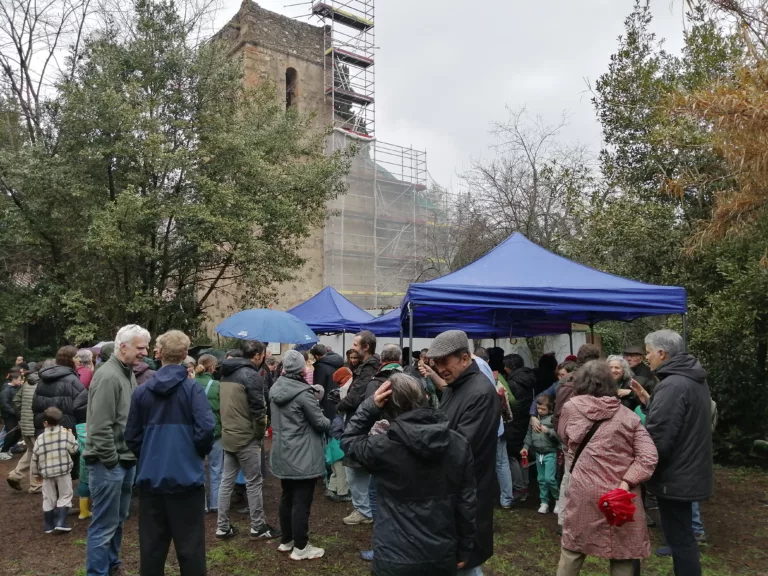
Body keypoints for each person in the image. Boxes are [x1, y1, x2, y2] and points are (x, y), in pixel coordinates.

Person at [342, 374, 477, 575]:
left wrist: (369, 406)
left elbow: (349, 440)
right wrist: (465, 548)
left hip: (394, 557)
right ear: (425, 396)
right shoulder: (457, 444)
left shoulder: (382, 448)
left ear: (386, 407)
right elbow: (466, 503)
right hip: (440, 553)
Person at [125, 330, 215, 576]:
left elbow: (131, 436)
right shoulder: (192, 390)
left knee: (152, 552)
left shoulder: (141, 392)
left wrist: (150, 456)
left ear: (159, 354)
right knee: (191, 550)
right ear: (186, 355)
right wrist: (194, 454)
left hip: (151, 482)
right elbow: (206, 430)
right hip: (186, 482)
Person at [557, 361, 658, 576]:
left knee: (573, 548)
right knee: (623, 552)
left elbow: (563, 435)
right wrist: (628, 480)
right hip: (620, 495)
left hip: (584, 490)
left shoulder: (570, 408)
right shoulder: (628, 417)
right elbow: (648, 456)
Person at [427, 330, 500, 575]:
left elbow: (461, 446)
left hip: (467, 492)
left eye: (445, 361)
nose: (439, 368)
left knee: (464, 561)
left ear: (465, 359)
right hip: (452, 491)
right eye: (435, 363)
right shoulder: (454, 387)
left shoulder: (480, 392)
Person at [641, 330, 713, 576]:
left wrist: (641, 465)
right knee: (682, 539)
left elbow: (659, 436)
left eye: (648, 352)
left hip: (676, 475)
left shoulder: (672, 384)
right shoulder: (692, 379)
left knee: (681, 541)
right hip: (688, 470)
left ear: (662, 353)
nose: (646, 357)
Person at [85, 324, 150, 576]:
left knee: (118, 521)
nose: (145, 352)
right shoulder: (108, 376)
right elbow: (99, 427)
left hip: (124, 461)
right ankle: (98, 572)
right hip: (108, 463)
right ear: (123, 347)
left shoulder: (127, 372)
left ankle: (112, 566)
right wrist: (112, 462)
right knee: (103, 525)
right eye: (140, 347)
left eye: (145, 347)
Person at [269, 350, 331, 561]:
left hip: (282, 452)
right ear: (303, 368)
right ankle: (301, 547)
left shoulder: (275, 388)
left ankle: (286, 541)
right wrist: (325, 413)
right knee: (301, 503)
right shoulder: (304, 394)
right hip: (302, 455)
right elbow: (321, 423)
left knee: (287, 498)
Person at [216, 340, 280, 541]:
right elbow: (258, 410)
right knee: (254, 481)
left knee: (226, 481)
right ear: (259, 355)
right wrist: (260, 434)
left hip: (228, 435)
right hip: (245, 437)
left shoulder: (225, 373)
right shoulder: (251, 376)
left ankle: (222, 527)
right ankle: (258, 526)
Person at [335, 330, 379, 527]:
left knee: (355, 469)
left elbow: (356, 397)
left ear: (365, 347)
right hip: (361, 423)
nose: (352, 348)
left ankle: (364, 510)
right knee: (359, 469)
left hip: (360, 425)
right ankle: (364, 508)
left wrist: (339, 404)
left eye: (355, 345)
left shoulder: (369, 369)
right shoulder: (366, 367)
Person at [31, 406, 79, 534]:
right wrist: (72, 435)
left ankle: (49, 524)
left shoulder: (40, 439)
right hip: (63, 471)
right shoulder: (66, 434)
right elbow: (74, 449)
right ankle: (61, 522)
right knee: (65, 494)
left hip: (47, 473)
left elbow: (34, 457)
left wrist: (36, 473)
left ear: (45, 423)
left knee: (48, 497)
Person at [503, 353, 537, 502]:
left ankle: (519, 487)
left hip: (514, 422)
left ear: (512, 367)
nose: (504, 368)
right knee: (523, 452)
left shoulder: (512, 383)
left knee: (511, 455)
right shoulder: (530, 377)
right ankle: (526, 485)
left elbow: (511, 405)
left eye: (506, 366)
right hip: (527, 420)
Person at [33, 346, 85, 436]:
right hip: (66, 437)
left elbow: (35, 407)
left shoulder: (42, 381)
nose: (79, 360)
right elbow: (82, 411)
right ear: (68, 360)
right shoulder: (73, 382)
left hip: (44, 435)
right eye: (76, 357)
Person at [522, 395, 560, 514]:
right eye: (538, 408)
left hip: (550, 453)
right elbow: (529, 434)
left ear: (550, 409)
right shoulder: (533, 419)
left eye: (543, 409)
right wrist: (525, 447)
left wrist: (548, 431)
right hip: (538, 454)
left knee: (550, 479)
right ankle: (544, 502)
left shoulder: (553, 419)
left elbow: (559, 435)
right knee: (541, 479)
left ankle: (558, 499)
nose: (540, 411)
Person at [7, 364, 43, 491]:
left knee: (31, 451)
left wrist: (21, 416)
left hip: (25, 424)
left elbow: (16, 401)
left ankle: (15, 476)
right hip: (35, 425)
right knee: (37, 454)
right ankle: (36, 485)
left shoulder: (27, 384)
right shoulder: (42, 384)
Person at [195, 354, 223, 514]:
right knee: (216, 468)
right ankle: (215, 504)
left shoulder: (190, 384)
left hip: (196, 432)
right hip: (215, 431)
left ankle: (201, 504)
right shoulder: (217, 385)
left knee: (198, 468)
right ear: (213, 367)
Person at [326, 367, 353, 503]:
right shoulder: (339, 419)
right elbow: (339, 430)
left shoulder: (332, 415)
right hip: (339, 448)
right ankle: (342, 493)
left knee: (335, 472)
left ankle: (331, 489)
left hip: (332, 447)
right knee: (342, 472)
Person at [310, 344, 344, 420]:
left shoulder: (320, 367)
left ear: (317, 356)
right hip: (338, 400)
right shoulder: (338, 362)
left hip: (325, 405)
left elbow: (318, 390)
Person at [0, 369, 23, 460]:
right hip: (9, 416)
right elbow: (5, 405)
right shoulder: (5, 391)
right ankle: (3, 451)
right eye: (19, 379)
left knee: (18, 433)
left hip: (17, 415)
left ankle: (8, 448)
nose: (21, 381)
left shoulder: (19, 388)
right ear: (13, 380)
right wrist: (15, 412)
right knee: (11, 433)